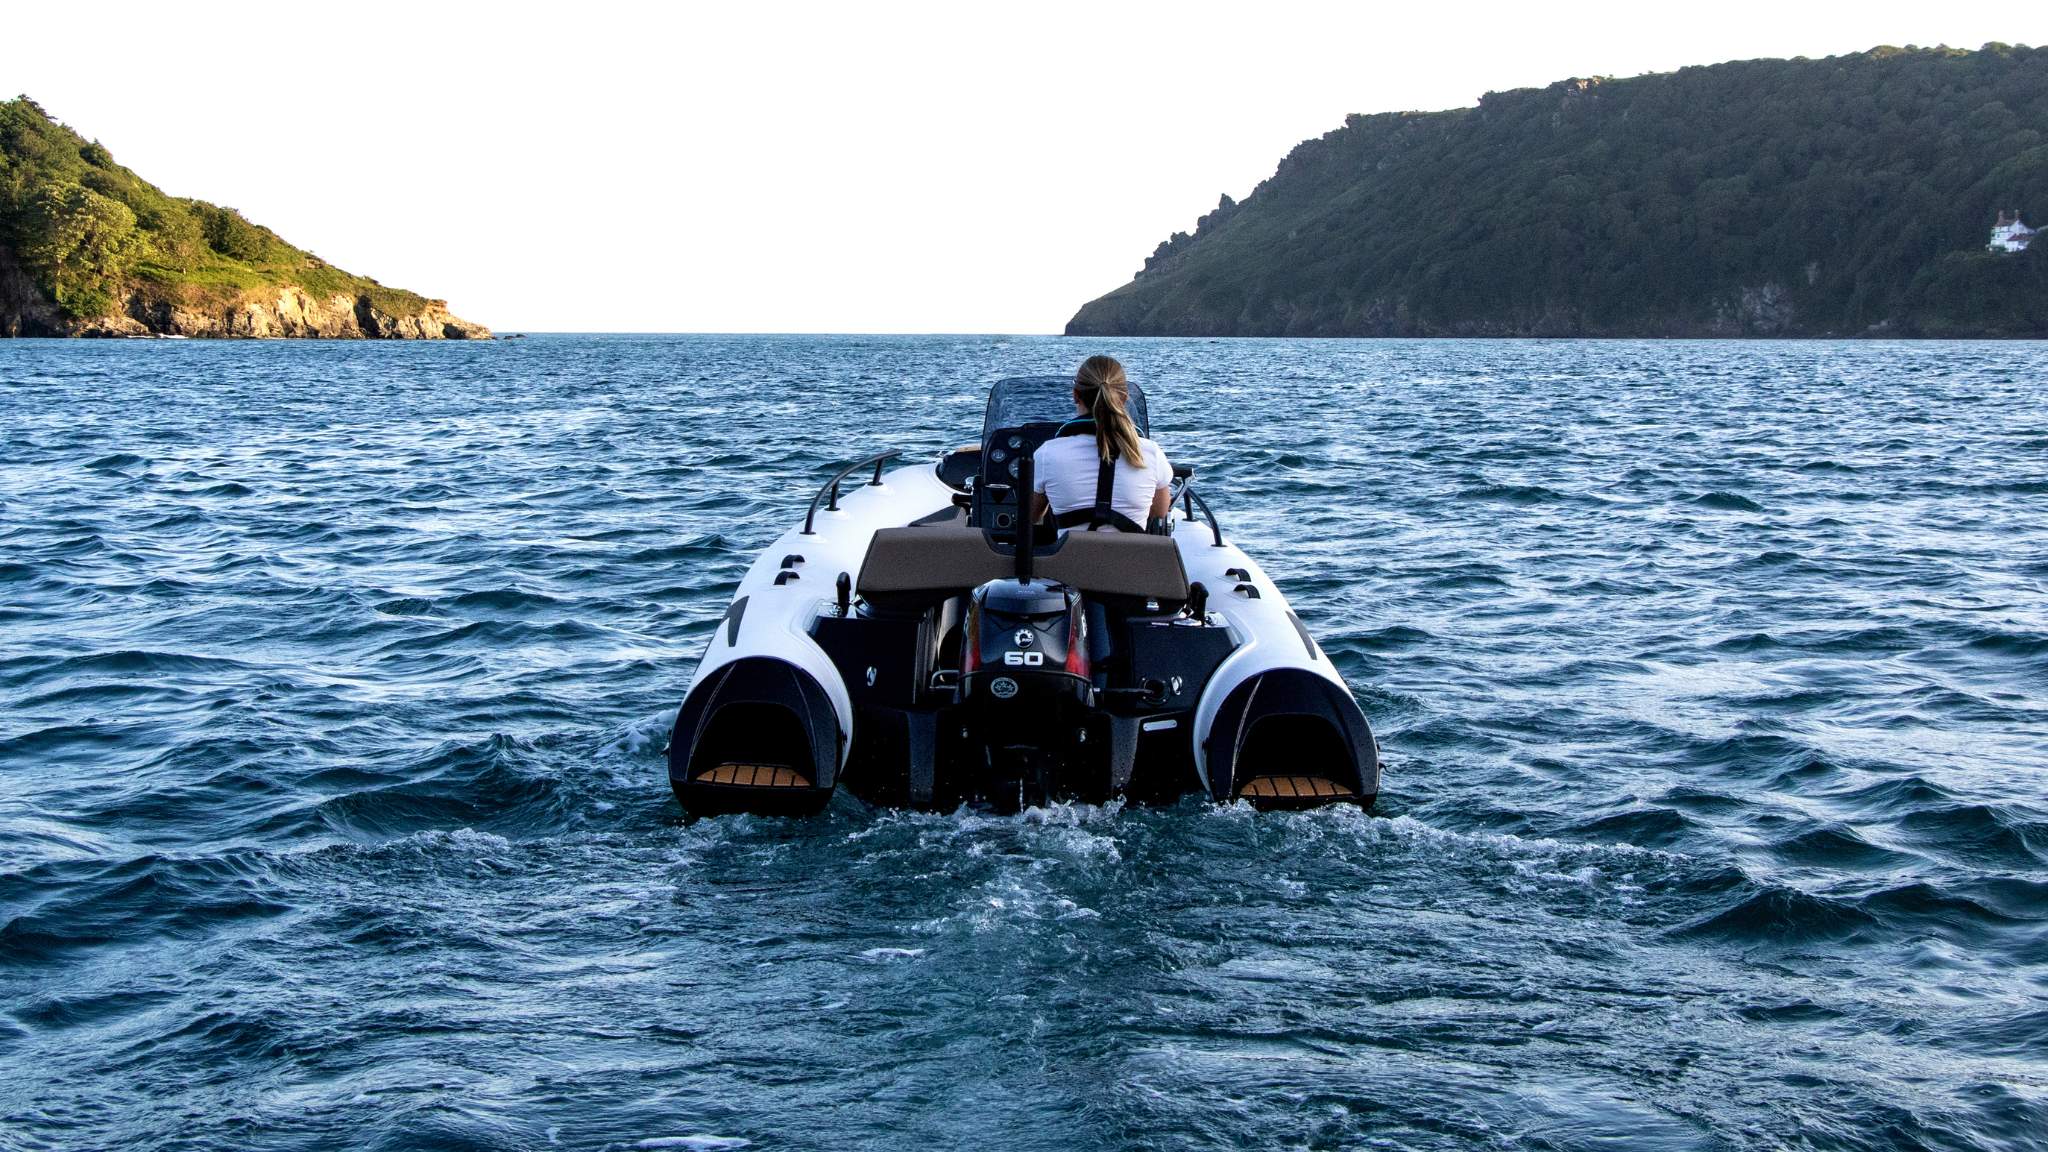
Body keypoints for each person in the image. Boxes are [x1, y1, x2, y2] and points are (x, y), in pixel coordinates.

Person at [1030, 356, 1173, 533]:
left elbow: (1031, 516)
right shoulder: (1151, 452)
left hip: (1071, 560)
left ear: (1076, 395)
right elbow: (1159, 512)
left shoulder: (1047, 454)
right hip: (1131, 560)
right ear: (1124, 398)